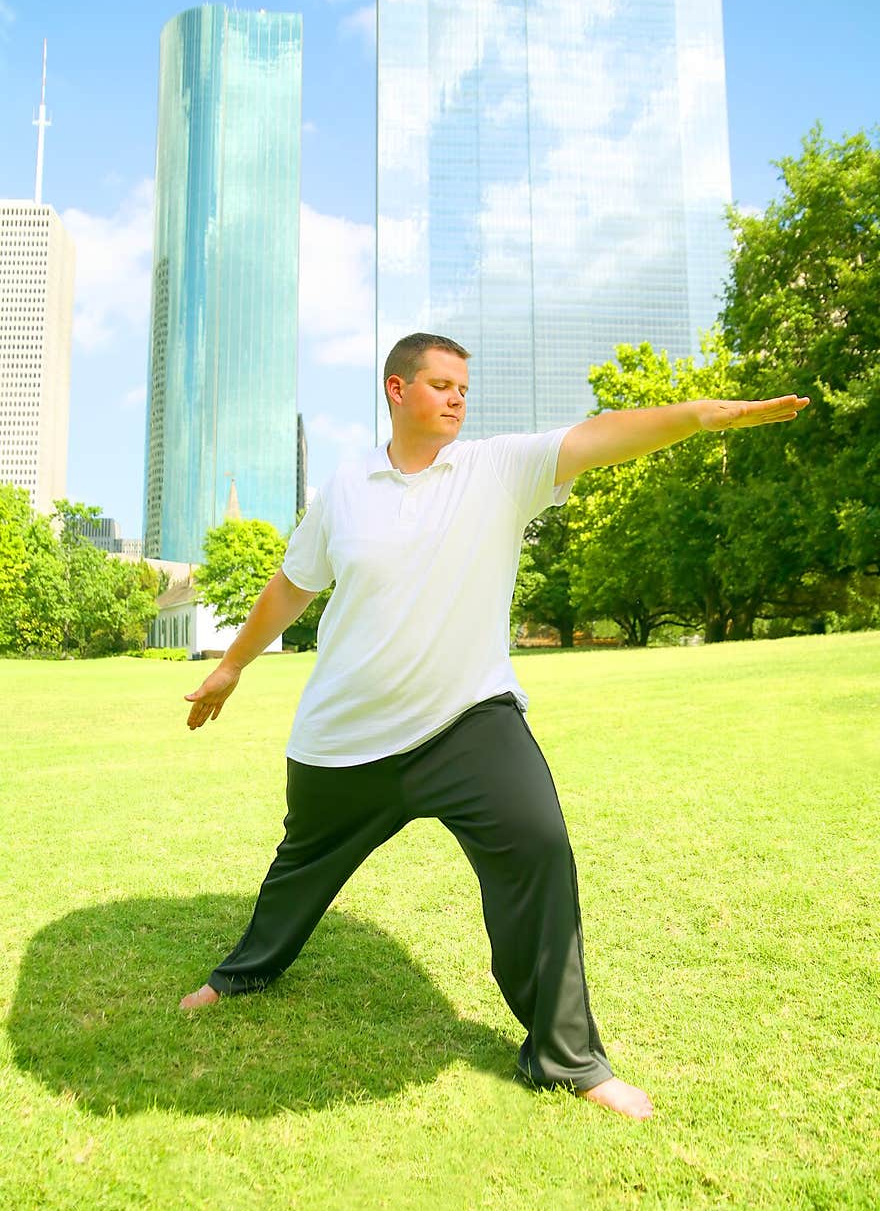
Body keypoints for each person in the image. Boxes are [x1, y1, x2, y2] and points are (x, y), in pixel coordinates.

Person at [180, 332, 809, 1120]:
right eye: (440, 384)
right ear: (396, 390)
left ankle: (566, 1059)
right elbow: (291, 587)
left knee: (540, 847)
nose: (456, 399)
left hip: (467, 721)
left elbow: (600, 436)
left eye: (463, 389)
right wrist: (234, 664)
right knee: (301, 866)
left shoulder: (497, 470)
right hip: (347, 735)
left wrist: (699, 416)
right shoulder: (345, 489)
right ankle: (244, 973)